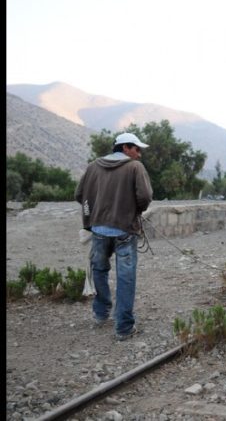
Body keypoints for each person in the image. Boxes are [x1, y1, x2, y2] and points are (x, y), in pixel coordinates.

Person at [75, 132, 153, 341]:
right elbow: (145, 197)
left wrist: (93, 214)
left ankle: (101, 313)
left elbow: (79, 195)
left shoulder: (93, 166)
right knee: (125, 278)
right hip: (125, 231)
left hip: (99, 230)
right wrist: (135, 210)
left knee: (99, 270)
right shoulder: (135, 168)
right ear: (125, 148)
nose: (139, 154)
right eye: (137, 149)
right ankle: (123, 328)